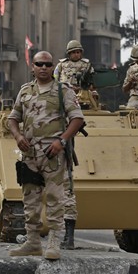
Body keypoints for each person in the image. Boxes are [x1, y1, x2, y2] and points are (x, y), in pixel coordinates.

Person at [8, 51, 84, 260]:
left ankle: (53, 242)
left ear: (53, 68)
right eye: (39, 64)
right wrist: (17, 136)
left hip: (53, 153)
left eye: (48, 64)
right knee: (30, 199)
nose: (43, 68)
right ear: (32, 66)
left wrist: (62, 140)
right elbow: (13, 118)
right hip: (29, 153)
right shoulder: (25, 91)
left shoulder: (62, 91)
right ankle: (32, 241)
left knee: (54, 198)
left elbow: (77, 119)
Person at [53, 40, 93, 249]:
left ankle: (67, 237)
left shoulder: (85, 67)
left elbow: (77, 119)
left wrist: (64, 138)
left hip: (61, 149)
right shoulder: (35, 93)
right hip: (42, 152)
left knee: (67, 192)